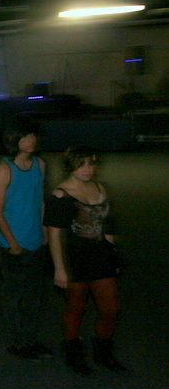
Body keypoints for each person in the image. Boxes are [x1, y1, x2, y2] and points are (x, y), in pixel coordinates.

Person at [45, 146, 127, 376]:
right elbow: (54, 235)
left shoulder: (100, 188)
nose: (88, 169)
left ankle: (103, 351)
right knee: (76, 307)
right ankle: (73, 352)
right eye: (81, 164)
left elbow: (108, 225)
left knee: (111, 309)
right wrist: (59, 269)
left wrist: (113, 253)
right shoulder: (61, 195)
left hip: (101, 257)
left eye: (91, 164)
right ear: (70, 166)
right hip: (74, 259)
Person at [0, 118, 52, 360]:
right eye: (24, 137)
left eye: (32, 136)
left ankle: (29, 340)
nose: (30, 141)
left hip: (36, 243)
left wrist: (44, 231)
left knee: (34, 298)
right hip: (12, 247)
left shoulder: (40, 165)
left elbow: (41, 201)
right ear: (13, 141)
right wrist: (14, 244)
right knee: (14, 297)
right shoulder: (5, 169)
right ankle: (18, 343)